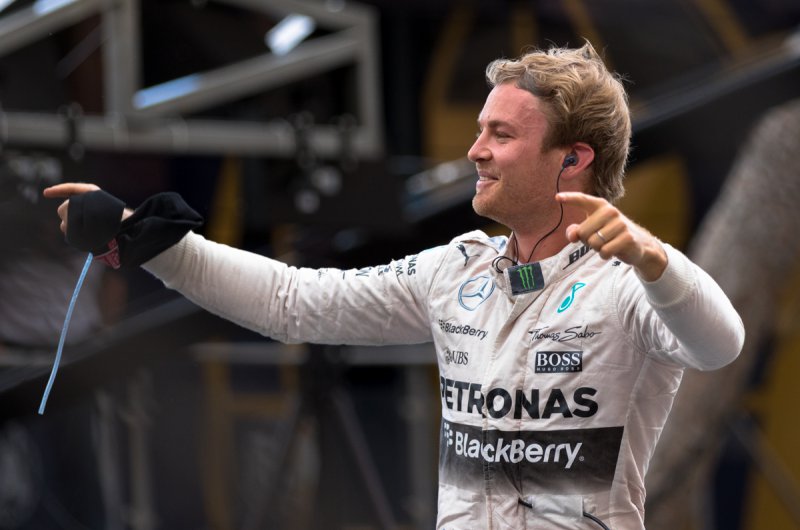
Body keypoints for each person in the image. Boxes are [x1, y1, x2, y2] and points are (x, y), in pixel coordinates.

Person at [44, 41, 744, 530]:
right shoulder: (456, 268)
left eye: (501, 135)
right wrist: (148, 238)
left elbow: (720, 345)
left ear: (572, 158)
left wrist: (655, 258)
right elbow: (292, 302)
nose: (474, 151)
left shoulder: (630, 284)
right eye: (480, 130)